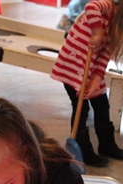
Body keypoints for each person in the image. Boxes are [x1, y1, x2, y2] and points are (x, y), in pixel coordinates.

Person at [51, 0, 123, 167]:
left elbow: (105, 56)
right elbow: (91, 7)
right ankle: (82, 148)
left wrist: (96, 81)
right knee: (81, 108)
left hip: (89, 72)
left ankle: (107, 145)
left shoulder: (116, 29)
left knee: (102, 105)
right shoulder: (109, 7)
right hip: (72, 67)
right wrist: (97, 32)